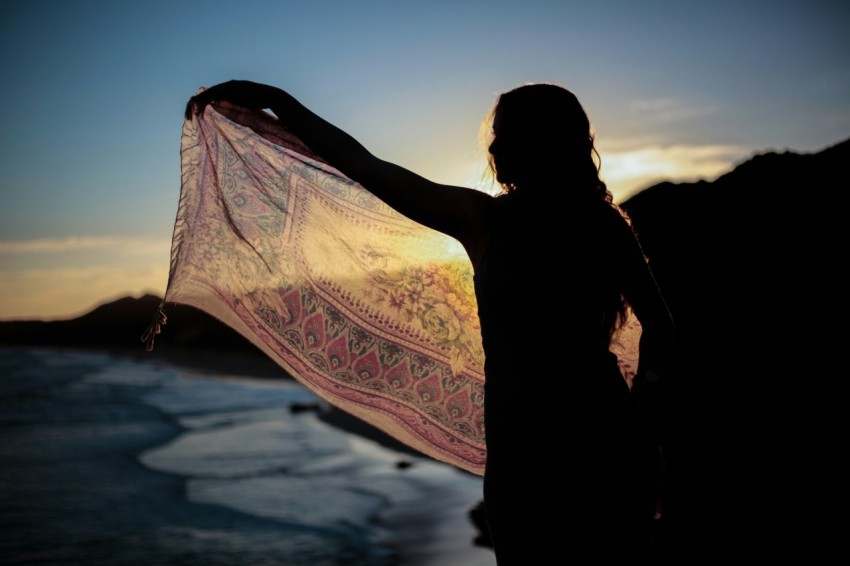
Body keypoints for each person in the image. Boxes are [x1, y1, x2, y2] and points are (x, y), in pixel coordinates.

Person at [187, 80, 674, 565]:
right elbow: (363, 167)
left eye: (508, 134)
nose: (494, 147)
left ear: (543, 139)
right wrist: (278, 101)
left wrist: (644, 422)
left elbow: (662, 327)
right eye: (495, 136)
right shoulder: (527, 220)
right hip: (552, 436)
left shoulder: (552, 224)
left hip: (578, 439)